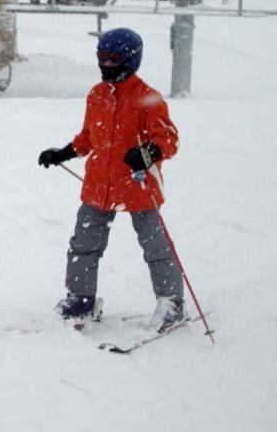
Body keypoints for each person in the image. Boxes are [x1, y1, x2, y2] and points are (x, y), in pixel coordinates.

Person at [38, 27, 184, 332]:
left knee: (156, 246)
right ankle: (81, 300)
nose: (106, 64)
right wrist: (61, 153)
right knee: (83, 245)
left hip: (137, 185)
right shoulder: (97, 95)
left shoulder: (148, 99)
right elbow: (88, 138)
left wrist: (148, 152)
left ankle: (171, 303)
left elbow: (168, 139)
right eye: (101, 57)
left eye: (114, 58)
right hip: (98, 187)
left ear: (131, 59)